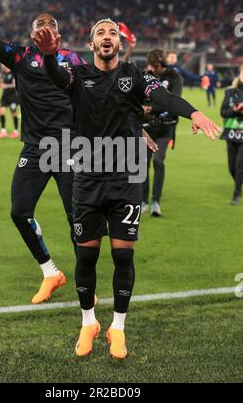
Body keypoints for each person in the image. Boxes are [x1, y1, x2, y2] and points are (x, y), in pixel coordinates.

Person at [33, 18, 221, 359]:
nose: (107, 38)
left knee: (123, 255)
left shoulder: (135, 76)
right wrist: (48, 56)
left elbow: (163, 97)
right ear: (91, 45)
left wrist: (193, 113)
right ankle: (88, 321)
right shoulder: (78, 75)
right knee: (86, 256)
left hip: (126, 179)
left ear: (120, 44)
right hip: (87, 178)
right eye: (100, 34)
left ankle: (117, 327)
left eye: (113, 34)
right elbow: (56, 77)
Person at [0, 0, 85, 303]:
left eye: (50, 26)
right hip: (36, 149)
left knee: (77, 219)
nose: (44, 29)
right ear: (31, 34)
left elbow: (94, 95)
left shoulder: (74, 59)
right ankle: (51, 272)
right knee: (19, 211)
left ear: (59, 36)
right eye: (39, 26)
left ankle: (86, 280)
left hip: (69, 147)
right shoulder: (20, 56)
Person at [141, 49, 183, 216]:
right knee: (143, 164)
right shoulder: (145, 76)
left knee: (158, 162)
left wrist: (151, 108)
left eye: (156, 66)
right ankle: (143, 201)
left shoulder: (174, 77)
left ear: (162, 64)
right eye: (151, 66)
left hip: (166, 127)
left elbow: (174, 102)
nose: (153, 70)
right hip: (146, 127)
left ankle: (156, 201)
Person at [220, 65, 243, 205]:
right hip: (230, 133)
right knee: (231, 167)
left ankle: (236, 193)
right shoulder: (229, 92)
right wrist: (235, 110)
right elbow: (223, 112)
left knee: (240, 165)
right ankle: (239, 184)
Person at [0, 64, 19, 139]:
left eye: (3, 65)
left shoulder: (13, 73)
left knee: (14, 114)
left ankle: (16, 131)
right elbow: (2, 84)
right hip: (5, 96)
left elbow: (15, 85)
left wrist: (5, 86)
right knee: (1, 111)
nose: (2, 66)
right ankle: (3, 131)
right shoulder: (4, 74)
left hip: (12, 97)